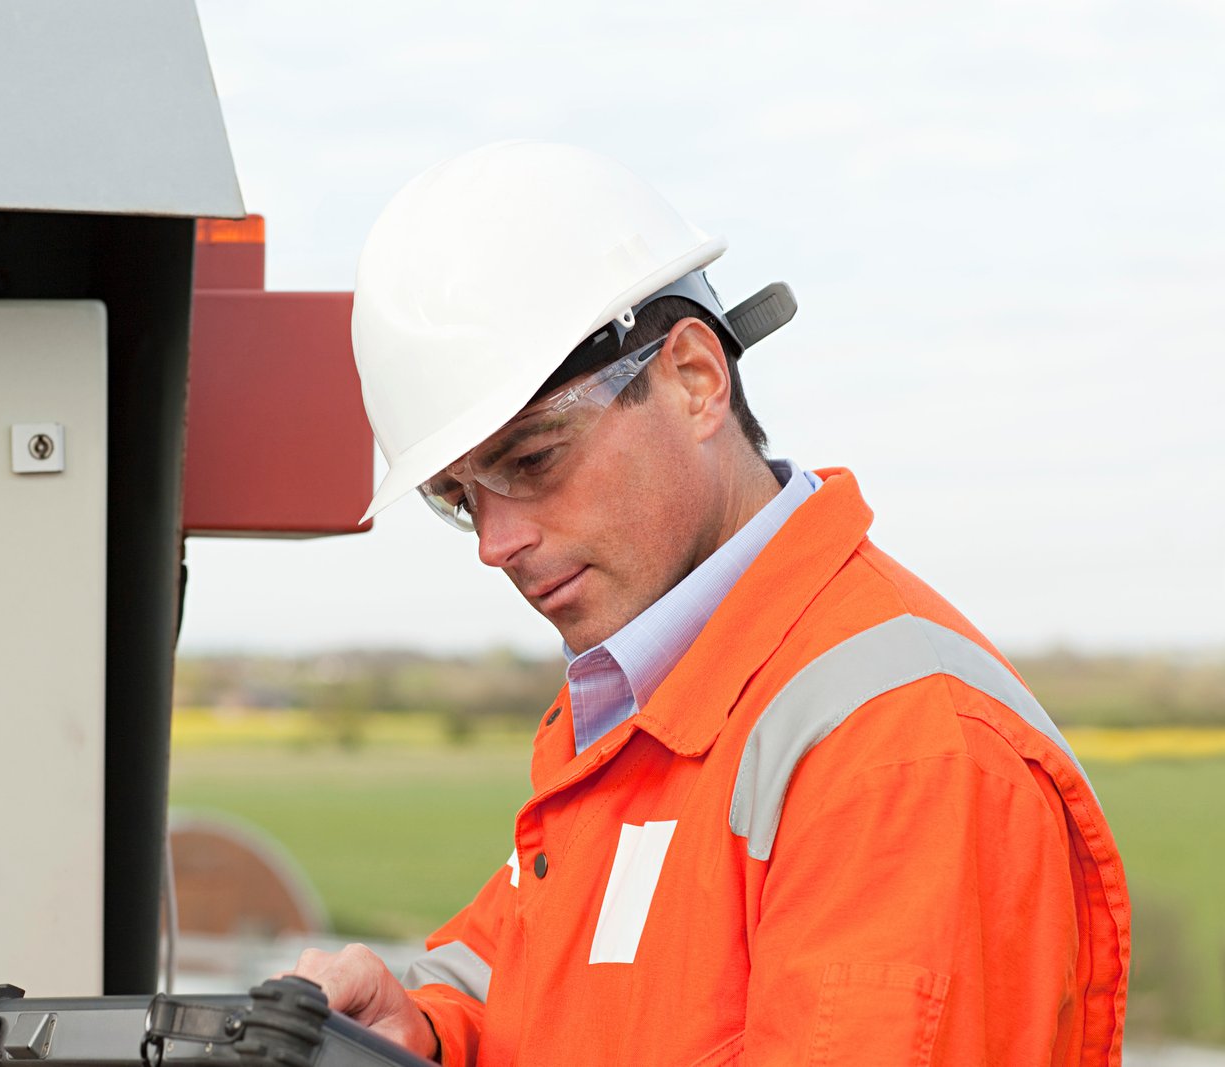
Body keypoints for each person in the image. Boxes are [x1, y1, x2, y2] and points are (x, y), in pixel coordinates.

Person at [293, 141, 1129, 1065]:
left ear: (694, 378)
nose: (497, 544)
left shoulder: (897, 755)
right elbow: (553, 992)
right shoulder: (652, 706)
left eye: (532, 461)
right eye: (460, 498)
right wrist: (425, 1033)